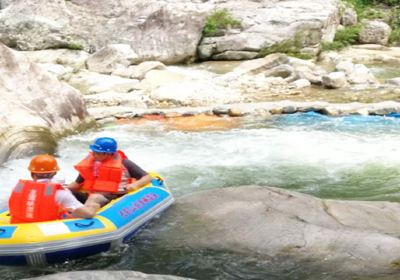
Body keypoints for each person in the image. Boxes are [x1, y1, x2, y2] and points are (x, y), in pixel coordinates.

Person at [8, 154, 106, 224]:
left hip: (19, 228)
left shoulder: (18, 188)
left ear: (32, 173)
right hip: (47, 230)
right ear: (55, 173)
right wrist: (94, 206)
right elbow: (87, 214)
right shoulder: (61, 193)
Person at [67, 137, 152, 202]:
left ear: (108, 154)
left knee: (94, 198)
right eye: (93, 151)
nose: (93, 154)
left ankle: (85, 217)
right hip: (91, 196)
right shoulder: (91, 164)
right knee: (67, 192)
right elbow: (77, 183)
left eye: (97, 152)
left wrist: (135, 185)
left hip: (114, 197)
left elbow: (147, 177)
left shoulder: (125, 163)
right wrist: (64, 189)